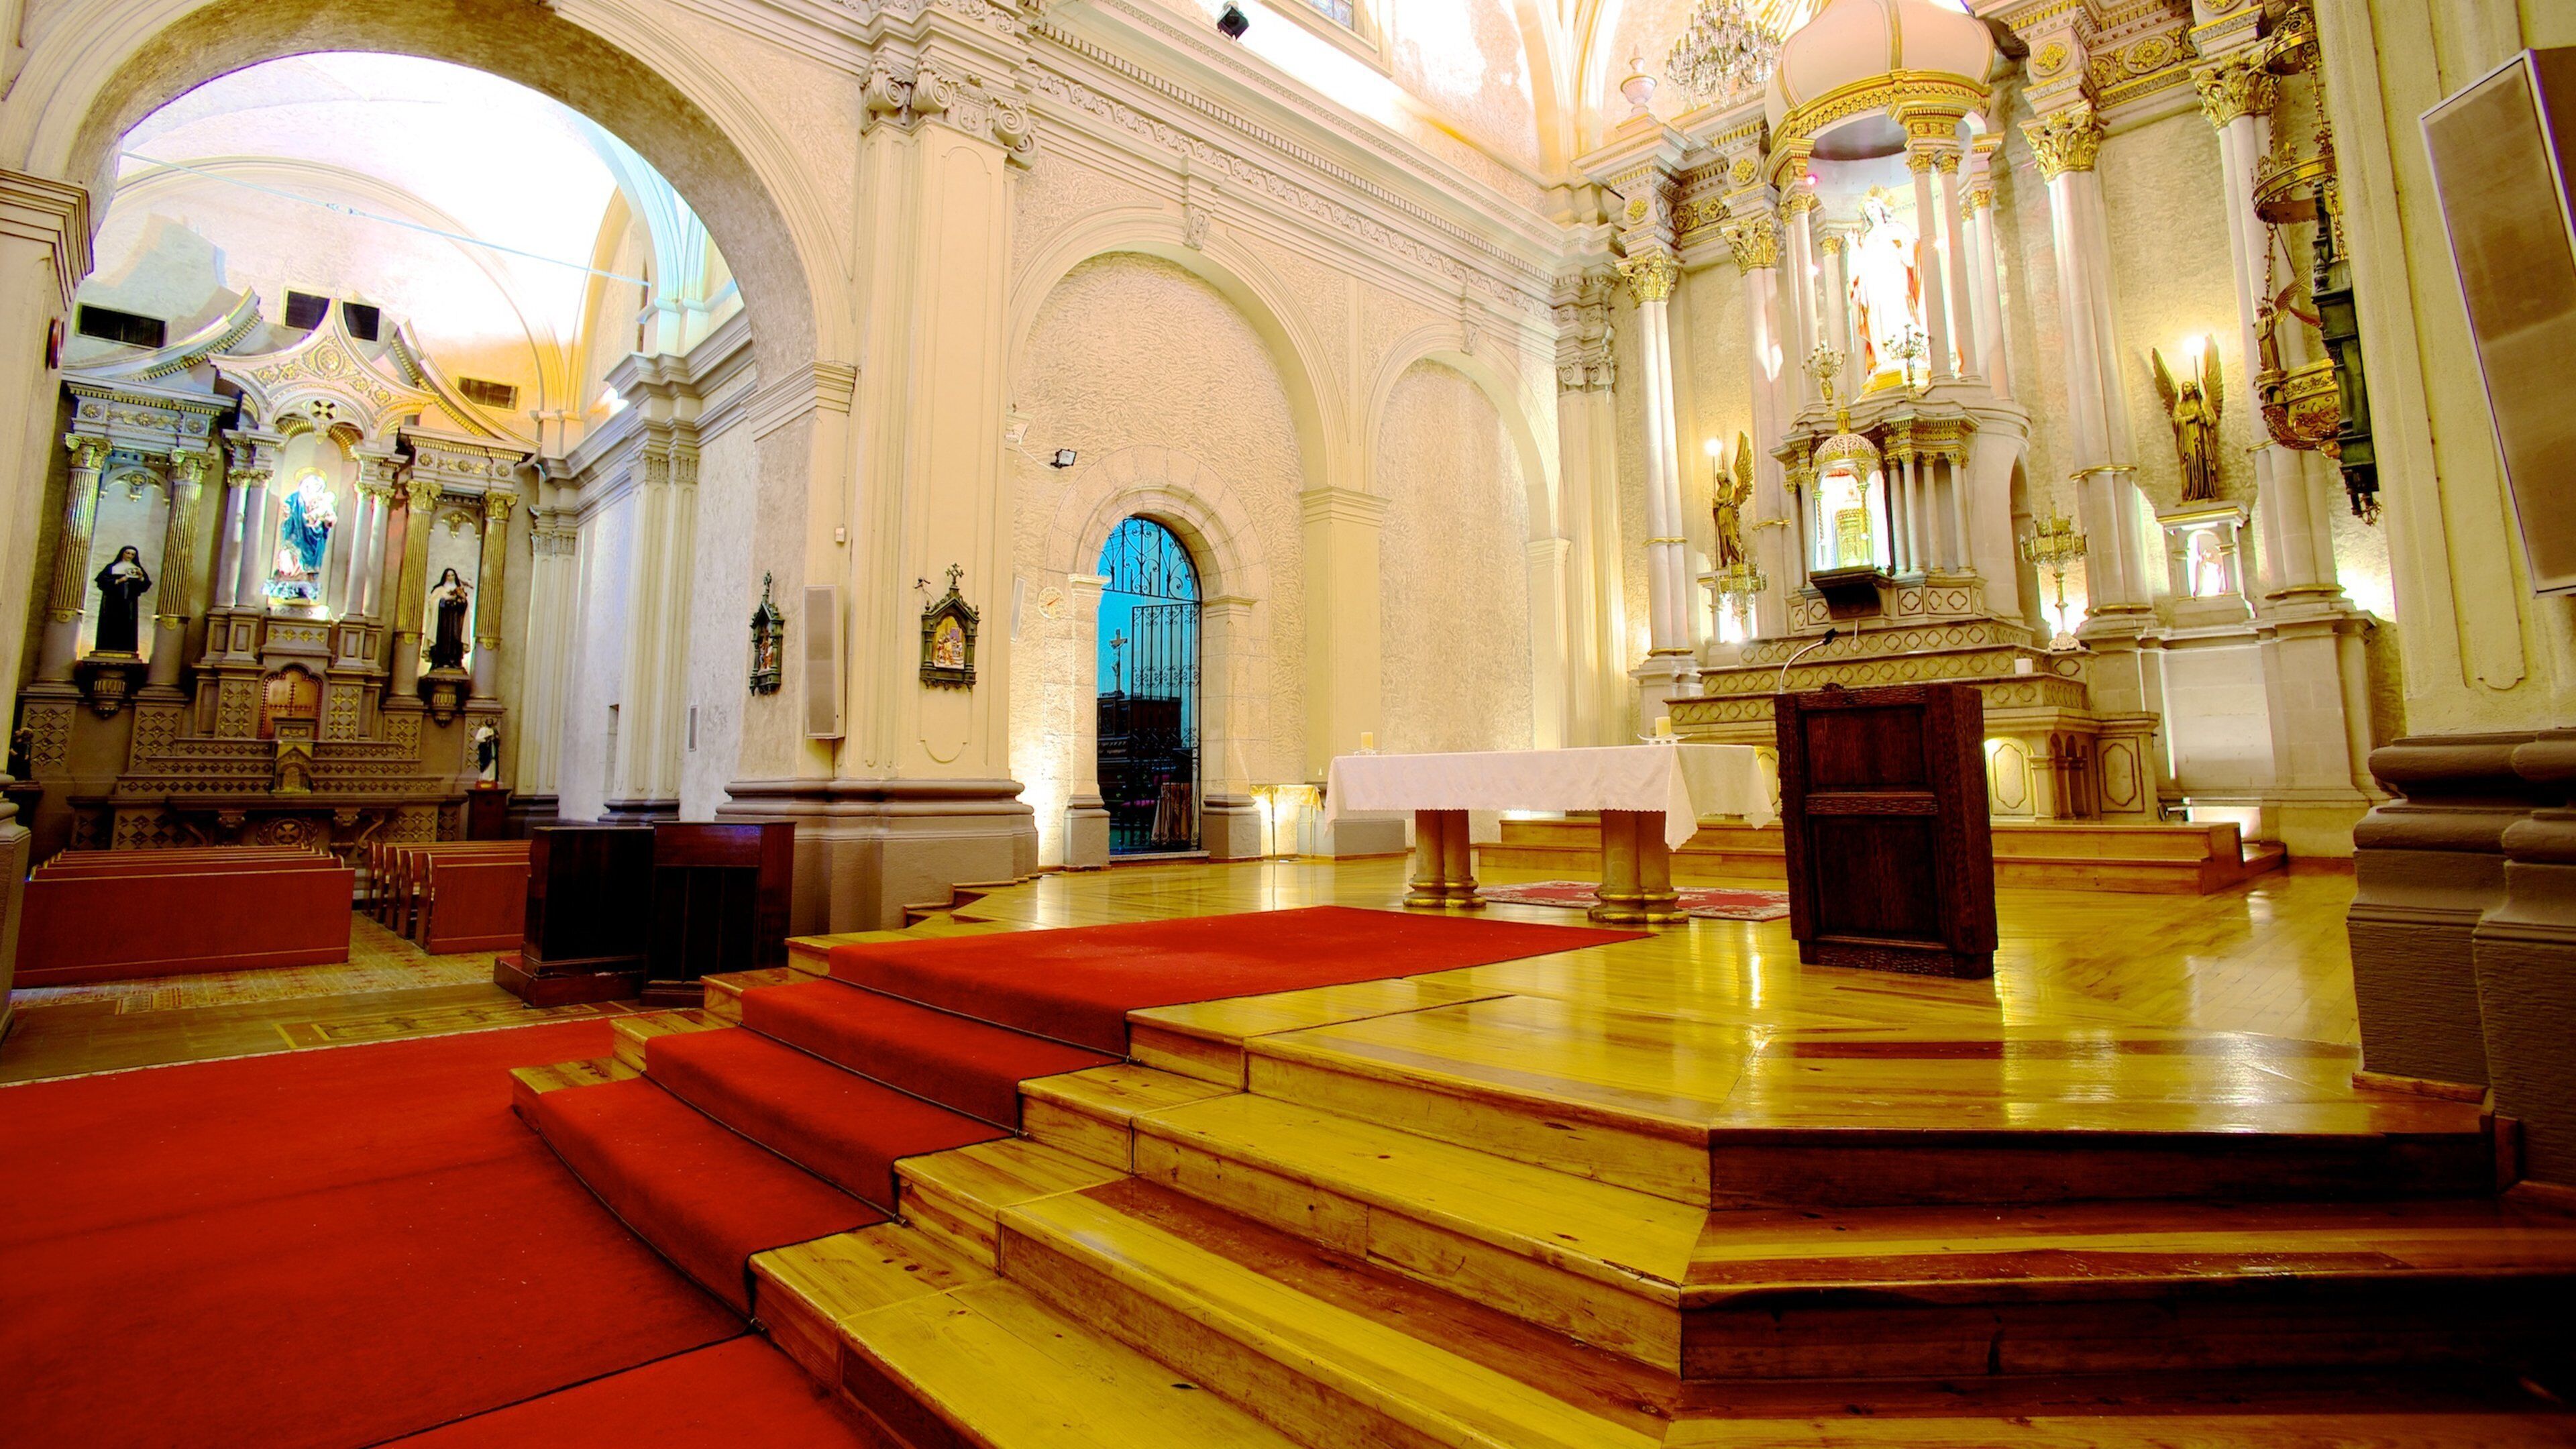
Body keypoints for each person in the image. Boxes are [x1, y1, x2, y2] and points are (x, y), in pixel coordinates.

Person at [92, 545, 152, 655]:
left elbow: (145, 585)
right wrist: (119, 581)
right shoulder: (112, 567)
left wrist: (141, 577)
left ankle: (126, 648)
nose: (130, 556)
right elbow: (101, 581)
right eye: (128, 553)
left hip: (129, 602)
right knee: (109, 623)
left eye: (132, 555)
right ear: (122, 553)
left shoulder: (137, 568)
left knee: (127, 624)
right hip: (112, 602)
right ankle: (106, 647)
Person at [427, 568, 472, 669]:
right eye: (449, 576)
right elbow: (432, 603)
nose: (451, 578)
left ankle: (454, 660)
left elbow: (464, 607)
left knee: (455, 638)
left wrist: (462, 599)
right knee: (442, 638)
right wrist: (444, 600)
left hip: (455, 620)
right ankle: (440, 661)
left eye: (453, 575)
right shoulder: (439, 590)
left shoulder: (459, 590)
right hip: (443, 621)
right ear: (445, 577)